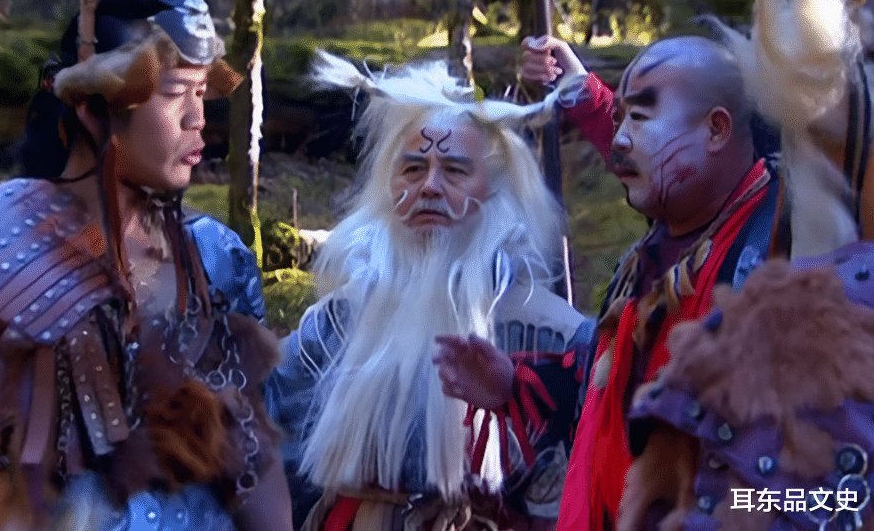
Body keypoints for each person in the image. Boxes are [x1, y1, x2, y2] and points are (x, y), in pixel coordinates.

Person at [0, 0, 291, 530]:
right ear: (92, 108)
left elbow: (253, 461)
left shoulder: (217, 257)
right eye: (174, 92)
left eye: (202, 92)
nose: (198, 119)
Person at [435, 34, 780, 531]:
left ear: (717, 129)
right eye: (619, 119)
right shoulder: (649, 261)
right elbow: (616, 391)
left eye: (639, 118)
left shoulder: (788, 254)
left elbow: (832, 498)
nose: (619, 139)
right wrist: (514, 383)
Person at [264, 52, 591, 531]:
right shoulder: (336, 322)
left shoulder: (553, 334)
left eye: (455, 170)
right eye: (413, 169)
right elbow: (256, 425)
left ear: (495, 191)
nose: (430, 187)